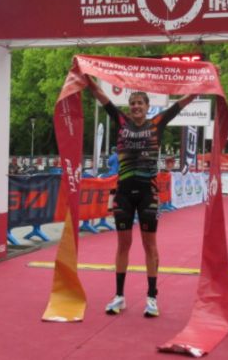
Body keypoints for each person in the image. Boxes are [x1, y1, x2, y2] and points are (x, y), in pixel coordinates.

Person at [85, 75, 196, 317]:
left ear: (147, 107)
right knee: (123, 244)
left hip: (148, 193)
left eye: (140, 103)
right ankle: (119, 296)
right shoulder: (121, 121)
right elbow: (101, 97)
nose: (136, 106)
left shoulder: (157, 122)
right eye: (132, 103)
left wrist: (206, 81)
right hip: (123, 193)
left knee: (150, 245)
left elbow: (182, 103)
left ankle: (152, 297)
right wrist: (87, 78)